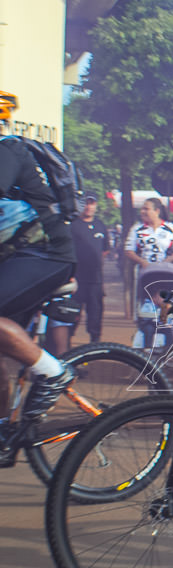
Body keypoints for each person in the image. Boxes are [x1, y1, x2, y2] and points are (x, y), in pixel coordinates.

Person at [0, 136, 77, 444]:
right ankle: (3, 429)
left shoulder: (6, 149)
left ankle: (55, 373)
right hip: (22, 256)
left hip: (47, 254)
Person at [66, 192, 109, 345]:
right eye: (86, 203)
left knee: (95, 316)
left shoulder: (100, 225)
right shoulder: (73, 225)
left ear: (95, 205)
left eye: (92, 203)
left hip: (95, 281)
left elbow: (105, 250)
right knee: (71, 315)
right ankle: (66, 347)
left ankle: (94, 346)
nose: (89, 206)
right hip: (76, 280)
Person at [123, 197, 173, 269]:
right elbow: (129, 251)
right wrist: (142, 262)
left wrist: (168, 261)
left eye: (146, 209)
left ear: (157, 211)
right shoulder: (136, 228)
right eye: (142, 209)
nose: (142, 212)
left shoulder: (170, 227)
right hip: (144, 270)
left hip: (165, 270)